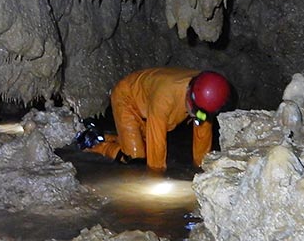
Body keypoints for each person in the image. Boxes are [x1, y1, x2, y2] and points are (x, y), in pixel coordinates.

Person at [86, 67, 231, 171]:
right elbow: (157, 151)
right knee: (136, 159)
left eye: (201, 113)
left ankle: (107, 136)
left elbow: (203, 135)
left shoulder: (207, 89)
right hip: (127, 99)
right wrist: (156, 178)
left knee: (143, 143)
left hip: (149, 103)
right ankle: (93, 145)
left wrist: (201, 168)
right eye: (195, 111)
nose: (195, 116)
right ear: (189, 95)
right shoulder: (164, 100)